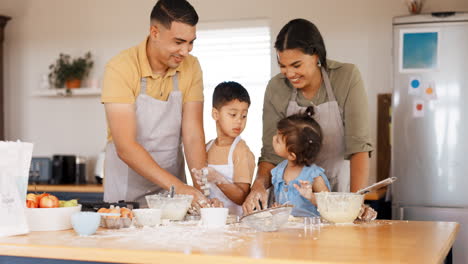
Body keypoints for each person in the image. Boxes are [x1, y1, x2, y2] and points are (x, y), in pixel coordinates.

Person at [243, 18, 374, 214]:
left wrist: (356, 203)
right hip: (289, 207)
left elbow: (359, 147)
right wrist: (258, 187)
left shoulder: (346, 77)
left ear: (316, 55)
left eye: (296, 65)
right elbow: (270, 154)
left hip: (337, 195)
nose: (289, 73)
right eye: (283, 65)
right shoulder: (276, 87)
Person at [101, 0, 212, 208]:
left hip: (173, 194)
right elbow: (125, 147)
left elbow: (193, 135)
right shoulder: (120, 68)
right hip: (127, 194)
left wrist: (201, 192)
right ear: (155, 33)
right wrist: (180, 188)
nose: (186, 51)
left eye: (191, 42)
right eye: (178, 42)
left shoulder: (191, 67)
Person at [192, 82, 255, 216]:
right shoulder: (207, 147)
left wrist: (218, 179)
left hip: (236, 225)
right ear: (215, 114)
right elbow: (202, 189)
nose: (239, 121)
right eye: (233, 114)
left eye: (244, 116)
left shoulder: (241, 150)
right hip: (213, 220)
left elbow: (242, 197)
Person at [271, 106, 330, 217]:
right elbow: (282, 203)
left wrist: (311, 196)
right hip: (286, 231)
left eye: (278, 140)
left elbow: (329, 204)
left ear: (292, 155)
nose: (274, 138)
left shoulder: (314, 176)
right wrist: (278, 209)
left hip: (310, 231)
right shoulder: (278, 172)